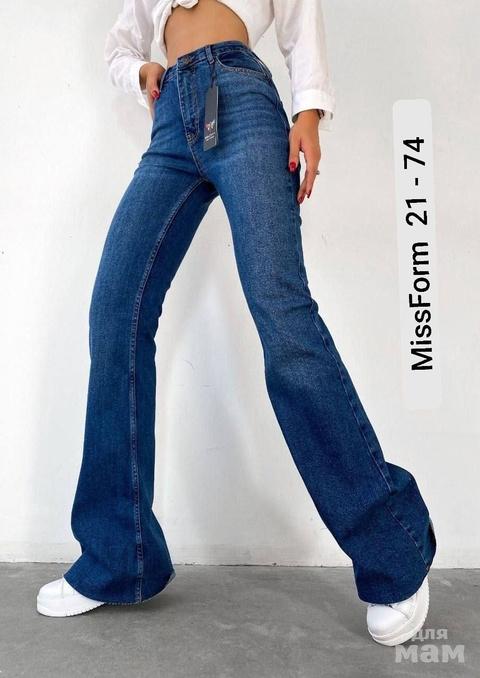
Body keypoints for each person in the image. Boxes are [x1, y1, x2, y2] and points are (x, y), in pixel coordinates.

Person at [36, 0, 436, 646]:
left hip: (242, 97)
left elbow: (299, 9)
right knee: (115, 312)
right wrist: (141, 73)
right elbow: (120, 44)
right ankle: (119, 556)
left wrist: (309, 112)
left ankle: (394, 551)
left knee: (283, 316)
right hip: (172, 122)